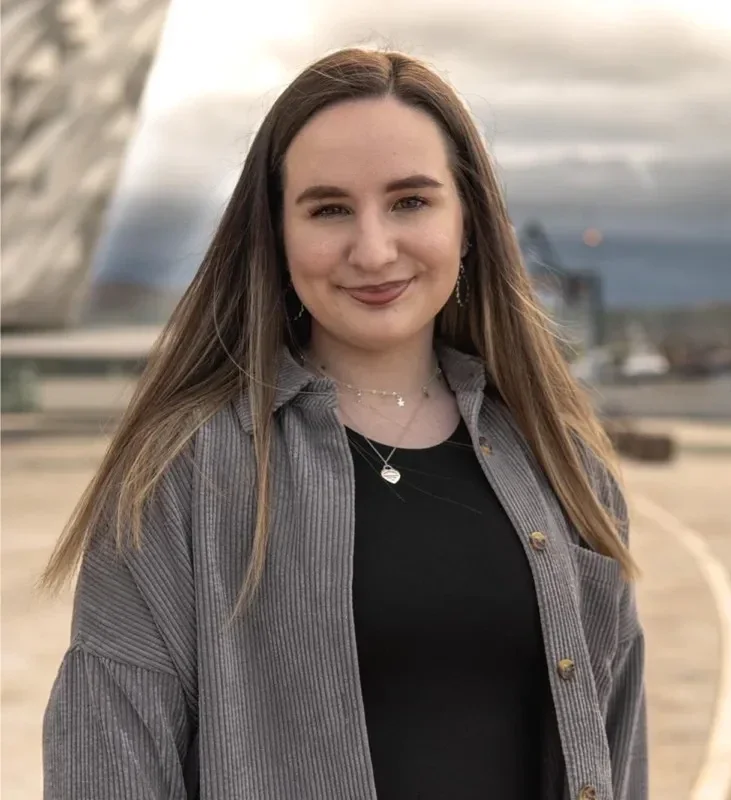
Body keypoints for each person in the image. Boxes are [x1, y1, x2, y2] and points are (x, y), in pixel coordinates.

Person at [41, 47, 647, 800]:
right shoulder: (180, 476)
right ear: (277, 234)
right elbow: (105, 765)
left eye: (410, 202)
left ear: (468, 223)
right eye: (329, 209)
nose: (373, 249)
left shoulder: (563, 465)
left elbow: (617, 746)